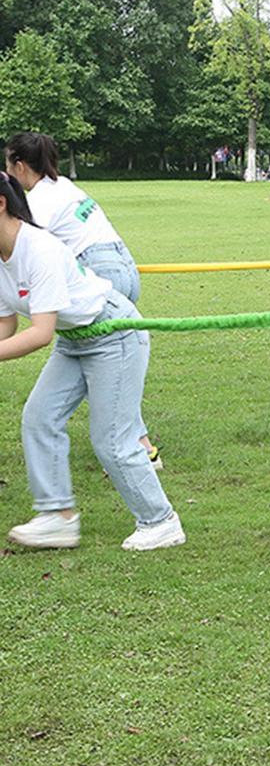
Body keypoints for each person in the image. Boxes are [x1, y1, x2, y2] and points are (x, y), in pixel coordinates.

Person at [0, 171, 184, 551]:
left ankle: (160, 522)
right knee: (40, 417)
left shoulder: (40, 249)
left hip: (112, 331)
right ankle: (57, 518)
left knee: (112, 439)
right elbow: (6, 323)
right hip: (75, 339)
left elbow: (40, 333)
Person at [5, 132, 162, 469]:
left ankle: (140, 449)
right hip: (124, 267)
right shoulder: (62, 186)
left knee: (105, 364)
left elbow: (24, 246)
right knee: (109, 365)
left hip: (98, 271)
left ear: (19, 166)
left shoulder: (41, 201)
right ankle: (141, 446)